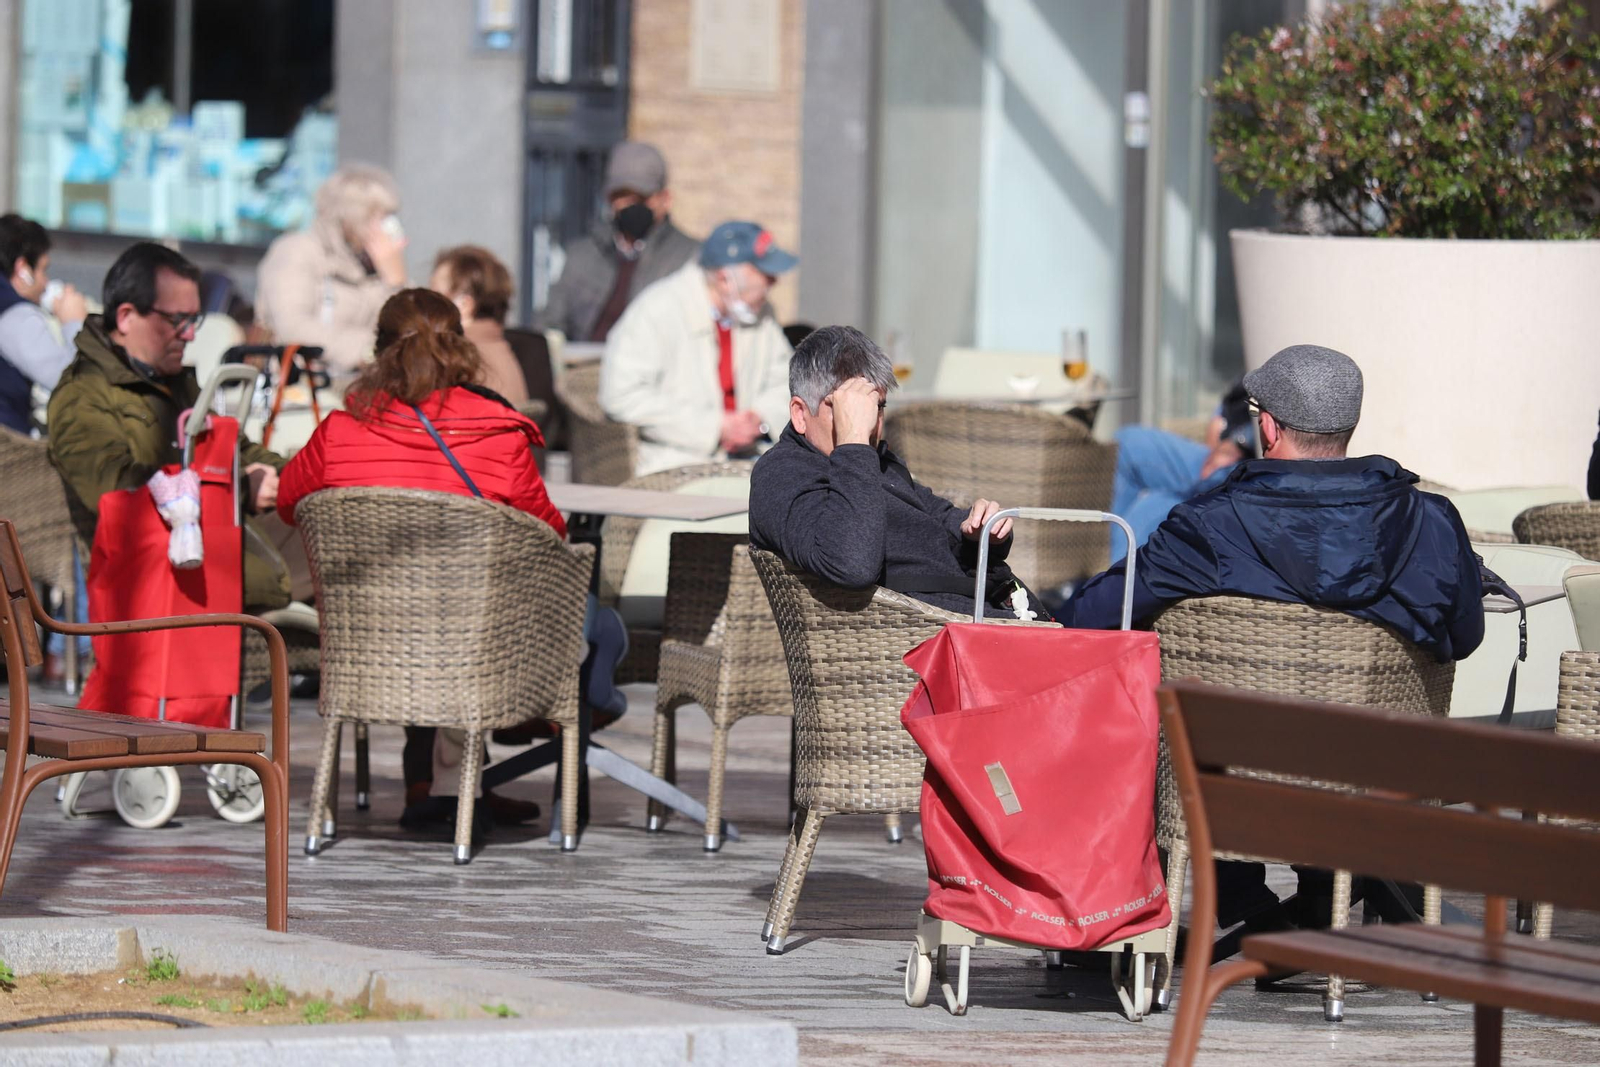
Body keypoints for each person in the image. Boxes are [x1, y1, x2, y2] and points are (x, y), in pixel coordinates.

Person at [1058, 343, 1486, 938]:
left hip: (1237, 776)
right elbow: (1464, 636)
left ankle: (1241, 897)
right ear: (1347, 426)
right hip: (1376, 774)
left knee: (1153, 691)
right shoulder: (1430, 521)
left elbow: (1093, 618)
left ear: (1267, 426)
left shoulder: (1206, 525)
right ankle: (1345, 887)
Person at [275, 288, 626, 832]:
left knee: (431, 612)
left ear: (378, 349)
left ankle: (446, 784)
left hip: (368, 641)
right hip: (474, 646)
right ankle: (544, 724)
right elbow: (551, 535)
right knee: (584, 617)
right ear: (459, 347)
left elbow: (288, 503)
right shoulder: (497, 433)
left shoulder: (338, 432)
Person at [46, 242, 290, 612]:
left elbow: (238, 449)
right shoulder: (82, 395)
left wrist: (299, 475)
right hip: (168, 584)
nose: (190, 334)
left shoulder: (174, 381)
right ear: (126, 317)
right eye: (178, 321)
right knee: (343, 568)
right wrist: (240, 489)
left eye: (196, 320)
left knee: (341, 531)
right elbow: (117, 494)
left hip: (226, 553)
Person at [749, 325, 1041, 619]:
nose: (869, 423)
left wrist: (980, 530)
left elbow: (935, 516)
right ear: (800, 414)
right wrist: (853, 444)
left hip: (991, 609)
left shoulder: (872, 459)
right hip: (938, 634)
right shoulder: (783, 473)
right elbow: (851, 564)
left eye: (877, 407)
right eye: (850, 409)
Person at [600, 221, 796, 476]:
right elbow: (620, 396)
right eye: (766, 274)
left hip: (750, 459)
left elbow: (786, 380)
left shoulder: (759, 313)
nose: (774, 282)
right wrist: (715, 427)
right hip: (673, 464)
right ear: (726, 280)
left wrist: (759, 418)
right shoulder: (657, 310)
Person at [535, 141, 701, 343]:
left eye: (640, 197)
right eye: (621, 196)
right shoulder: (582, 255)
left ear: (665, 199)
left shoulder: (688, 256)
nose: (629, 205)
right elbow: (550, 322)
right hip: (584, 369)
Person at [255, 164, 408, 376]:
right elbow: (293, 327)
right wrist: (367, 352)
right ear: (352, 217)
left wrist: (395, 283)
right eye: (380, 217)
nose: (388, 228)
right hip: (305, 386)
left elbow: (405, 333)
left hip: (364, 384)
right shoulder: (296, 251)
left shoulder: (376, 263)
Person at [1110, 380, 1257, 556]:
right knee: (1127, 444)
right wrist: (1221, 418)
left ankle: (1115, 572)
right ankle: (1102, 552)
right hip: (1227, 440)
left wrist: (1240, 442)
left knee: (1161, 502)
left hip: (1248, 459)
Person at [0, 213, 88, 433]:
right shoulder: (14, 313)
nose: (45, 282)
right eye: (42, 269)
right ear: (23, 270)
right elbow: (72, 385)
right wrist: (74, 323)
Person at [428, 245, 528, 406]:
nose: (424, 305)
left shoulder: (455, 358)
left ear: (464, 305)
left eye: (434, 295)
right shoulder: (500, 349)